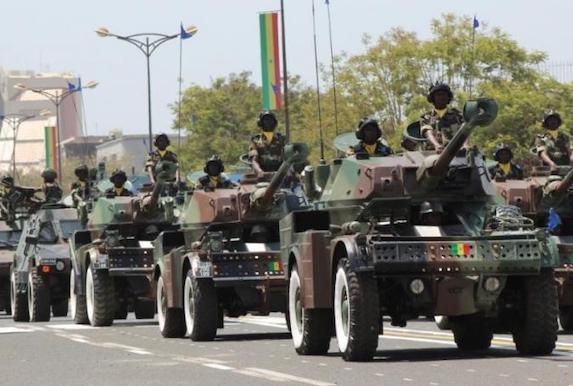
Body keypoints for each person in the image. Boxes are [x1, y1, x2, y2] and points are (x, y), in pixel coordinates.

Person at [420, 82, 464, 153]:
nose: (441, 97)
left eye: (444, 94)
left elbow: (464, 131)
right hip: (432, 152)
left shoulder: (457, 115)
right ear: (433, 98)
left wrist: (465, 145)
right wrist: (436, 145)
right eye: (438, 95)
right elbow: (428, 132)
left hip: (456, 152)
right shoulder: (426, 117)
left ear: (448, 98)